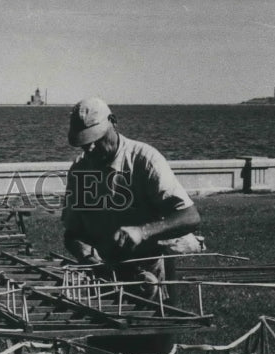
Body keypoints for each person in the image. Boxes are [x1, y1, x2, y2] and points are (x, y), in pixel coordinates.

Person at [61, 96, 201, 300]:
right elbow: (72, 233)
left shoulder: (145, 160)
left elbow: (191, 217)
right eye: (84, 143)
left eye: (96, 139)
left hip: (150, 275)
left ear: (113, 122)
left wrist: (143, 232)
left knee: (157, 328)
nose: (89, 148)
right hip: (103, 278)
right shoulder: (80, 169)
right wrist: (86, 255)